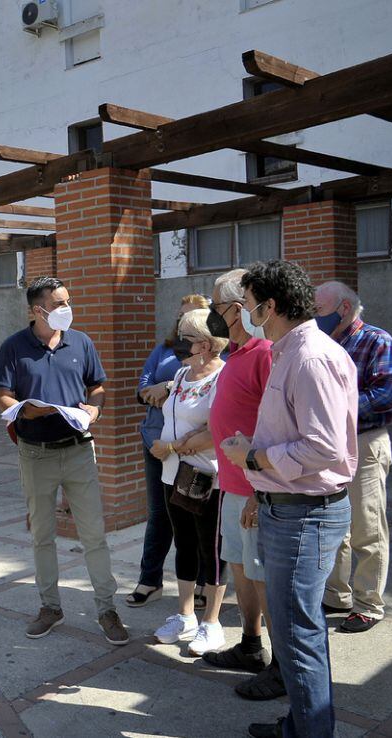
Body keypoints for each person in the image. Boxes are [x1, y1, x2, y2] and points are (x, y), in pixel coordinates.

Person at [221, 261, 357, 738]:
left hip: (306, 517)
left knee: (298, 636)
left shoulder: (309, 357)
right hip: (292, 512)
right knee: (299, 631)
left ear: (270, 305)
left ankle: (310, 732)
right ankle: (301, 724)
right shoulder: (289, 352)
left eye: (249, 301)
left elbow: (324, 447)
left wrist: (253, 457)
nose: (244, 311)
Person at [0, 277, 129, 646]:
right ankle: (50, 607)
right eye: (60, 303)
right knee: (42, 536)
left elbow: (96, 387)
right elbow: (4, 396)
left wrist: (95, 410)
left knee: (94, 534)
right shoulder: (13, 347)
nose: (68, 308)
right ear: (39, 310)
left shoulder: (81, 342)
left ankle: (106, 609)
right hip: (35, 453)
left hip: (79, 448)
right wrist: (23, 413)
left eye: (68, 300)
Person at [203, 269, 284, 701]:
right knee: (240, 567)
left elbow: (276, 424)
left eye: (216, 306)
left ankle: (281, 666)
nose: (212, 314)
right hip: (230, 484)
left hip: (255, 488)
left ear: (238, 309)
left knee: (263, 576)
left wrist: (258, 489)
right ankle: (251, 645)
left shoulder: (265, 352)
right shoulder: (234, 352)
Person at [315, 281, 392, 633]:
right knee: (336, 525)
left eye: (319, 310)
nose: (315, 317)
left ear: (345, 308)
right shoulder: (323, 344)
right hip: (330, 446)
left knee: (367, 528)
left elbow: (387, 394)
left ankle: (369, 604)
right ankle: (337, 595)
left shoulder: (377, 340)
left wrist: (338, 411)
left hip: (365, 442)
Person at [148, 309, 227, 655]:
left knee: (211, 548)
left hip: (205, 477)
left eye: (187, 339)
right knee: (183, 544)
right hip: (172, 474)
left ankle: (212, 621)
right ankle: (185, 615)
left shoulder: (222, 378)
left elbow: (216, 431)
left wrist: (172, 446)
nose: (179, 345)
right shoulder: (180, 376)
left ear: (207, 345)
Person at [130, 294, 212, 609]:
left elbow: (202, 390)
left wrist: (167, 389)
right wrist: (158, 391)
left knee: (198, 515)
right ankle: (150, 579)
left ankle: (205, 582)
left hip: (194, 446)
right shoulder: (163, 350)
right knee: (159, 514)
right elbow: (142, 388)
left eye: (192, 315)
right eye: (180, 315)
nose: (183, 321)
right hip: (155, 442)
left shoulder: (221, 357)